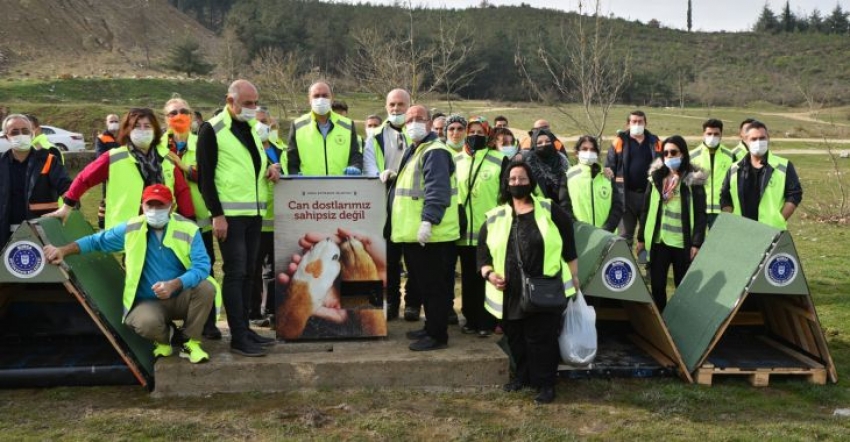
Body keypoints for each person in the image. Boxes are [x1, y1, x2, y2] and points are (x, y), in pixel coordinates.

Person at [44, 184, 218, 364]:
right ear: (142, 206)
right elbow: (96, 241)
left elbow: (202, 267)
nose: (154, 210)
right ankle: (167, 339)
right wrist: (63, 250)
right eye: (150, 205)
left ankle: (190, 341)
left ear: (171, 207)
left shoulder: (188, 228)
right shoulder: (131, 228)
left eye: (161, 206)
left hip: (181, 294)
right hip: (147, 301)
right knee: (145, 323)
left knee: (206, 288)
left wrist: (175, 284)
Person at [478, 161, 579, 405]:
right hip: (509, 291)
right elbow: (482, 253)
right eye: (512, 179)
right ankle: (521, 377)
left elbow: (569, 246)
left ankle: (545, 384)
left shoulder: (550, 210)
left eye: (522, 178)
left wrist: (575, 278)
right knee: (516, 337)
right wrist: (489, 274)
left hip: (545, 287)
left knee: (541, 339)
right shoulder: (496, 216)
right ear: (506, 183)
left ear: (531, 182)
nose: (517, 183)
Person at [197, 79, 280, 357]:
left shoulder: (251, 130)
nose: (252, 108)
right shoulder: (212, 129)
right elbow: (205, 178)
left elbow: (253, 164)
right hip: (230, 217)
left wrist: (271, 168)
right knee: (235, 273)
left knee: (249, 274)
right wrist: (217, 215)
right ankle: (237, 336)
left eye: (255, 103)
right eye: (247, 104)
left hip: (254, 214)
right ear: (229, 101)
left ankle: (245, 329)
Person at [46, 108, 195, 229]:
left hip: (163, 225)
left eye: (147, 126)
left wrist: (189, 219)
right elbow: (85, 178)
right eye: (137, 126)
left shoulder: (166, 158)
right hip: (128, 230)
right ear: (127, 130)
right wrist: (67, 207)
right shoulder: (113, 157)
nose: (142, 130)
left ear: (155, 130)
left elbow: (181, 190)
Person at [391, 105, 459, 351]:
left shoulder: (435, 151)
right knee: (426, 285)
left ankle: (438, 335)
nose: (412, 123)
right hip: (415, 235)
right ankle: (430, 326)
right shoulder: (416, 149)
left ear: (430, 123)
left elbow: (437, 190)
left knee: (434, 288)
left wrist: (428, 221)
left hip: (432, 235)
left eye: (419, 119)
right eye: (409, 120)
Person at [157, 97, 221, 340]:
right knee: (169, 272)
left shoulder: (202, 143)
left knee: (204, 271)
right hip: (167, 222)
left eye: (185, 111)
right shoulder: (158, 147)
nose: (180, 115)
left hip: (200, 222)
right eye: (174, 112)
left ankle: (208, 323)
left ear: (193, 117)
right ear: (166, 118)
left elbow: (208, 175)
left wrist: (184, 168)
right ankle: (172, 325)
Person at [637, 135, 707, 311]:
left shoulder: (693, 181)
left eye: (673, 152)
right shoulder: (655, 179)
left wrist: (697, 242)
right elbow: (645, 210)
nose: (669, 156)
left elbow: (700, 214)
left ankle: (680, 319)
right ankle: (662, 320)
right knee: (658, 285)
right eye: (666, 152)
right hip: (659, 241)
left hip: (682, 243)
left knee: (681, 286)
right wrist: (641, 238)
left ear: (682, 154)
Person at [364, 89, 413, 321]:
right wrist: (379, 174)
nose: (396, 109)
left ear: (409, 105)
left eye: (401, 104)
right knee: (391, 260)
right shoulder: (375, 137)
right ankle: (392, 303)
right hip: (386, 205)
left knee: (414, 259)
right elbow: (369, 165)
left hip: (413, 206)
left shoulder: (418, 134)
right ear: (386, 107)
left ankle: (413, 303)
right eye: (392, 104)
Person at [456, 116, 506, 336]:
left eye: (480, 132)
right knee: (467, 277)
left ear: (488, 135)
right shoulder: (456, 160)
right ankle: (470, 319)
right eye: (472, 131)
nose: (475, 135)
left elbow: (505, 195)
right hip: (462, 232)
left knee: (488, 278)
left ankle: (487, 321)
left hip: (490, 232)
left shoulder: (499, 160)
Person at [0, 114, 72, 246]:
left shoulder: (49, 160)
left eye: (25, 131)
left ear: (32, 134)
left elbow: (67, 188)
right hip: (5, 234)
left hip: (42, 232)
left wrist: (69, 206)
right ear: (6, 136)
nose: (21, 134)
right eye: (14, 132)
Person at [720, 121, 802, 230]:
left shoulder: (784, 166)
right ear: (745, 140)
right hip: (740, 230)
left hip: (771, 230)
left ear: (768, 138)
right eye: (754, 139)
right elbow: (725, 197)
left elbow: (794, 194)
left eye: (762, 138)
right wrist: (731, 220)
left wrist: (780, 219)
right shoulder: (734, 169)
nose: (758, 142)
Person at [605, 110, 663, 257]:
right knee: (624, 236)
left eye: (640, 122)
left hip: (649, 196)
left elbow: (663, 166)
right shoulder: (619, 141)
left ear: (645, 123)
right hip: (625, 196)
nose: (637, 124)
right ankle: (625, 269)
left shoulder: (655, 142)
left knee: (647, 237)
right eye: (634, 122)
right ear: (628, 124)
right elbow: (609, 166)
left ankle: (646, 268)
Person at [249, 107, 286, 326]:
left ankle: (272, 309)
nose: (261, 126)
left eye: (264, 121)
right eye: (257, 122)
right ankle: (254, 312)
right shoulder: (248, 149)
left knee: (274, 269)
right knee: (253, 269)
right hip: (257, 219)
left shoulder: (281, 149)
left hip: (279, 220)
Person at [286, 81, 362, 176]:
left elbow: (355, 154)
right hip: (309, 187)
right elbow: (292, 159)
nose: (320, 99)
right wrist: (295, 177)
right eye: (316, 96)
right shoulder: (297, 125)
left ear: (332, 98)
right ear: (309, 99)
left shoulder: (348, 125)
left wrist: (355, 166)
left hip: (341, 186)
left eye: (325, 95)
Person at [562, 135, 623, 231]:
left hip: (607, 236)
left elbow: (617, 206)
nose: (588, 152)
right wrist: (578, 228)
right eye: (584, 149)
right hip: (581, 235)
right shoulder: (568, 177)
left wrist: (607, 228)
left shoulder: (607, 176)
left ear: (597, 154)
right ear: (577, 153)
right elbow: (565, 206)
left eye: (592, 149)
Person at [689, 119, 740, 227]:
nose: (712, 137)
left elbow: (735, 185)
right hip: (699, 211)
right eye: (709, 133)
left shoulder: (730, 157)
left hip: (723, 211)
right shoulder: (692, 156)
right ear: (703, 134)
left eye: (716, 134)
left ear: (721, 135)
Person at [519, 128, 570, 204]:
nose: (544, 144)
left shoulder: (562, 161)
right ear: (534, 145)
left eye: (548, 141)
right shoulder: (528, 164)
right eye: (539, 143)